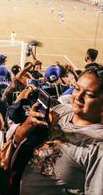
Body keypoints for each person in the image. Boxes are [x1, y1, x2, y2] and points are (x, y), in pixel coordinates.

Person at [9, 65, 103, 194]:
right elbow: (19, 135)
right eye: (77, 88)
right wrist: (28, 124)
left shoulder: (98, 147)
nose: (78, 97)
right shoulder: (61, 112)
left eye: (90, 95)